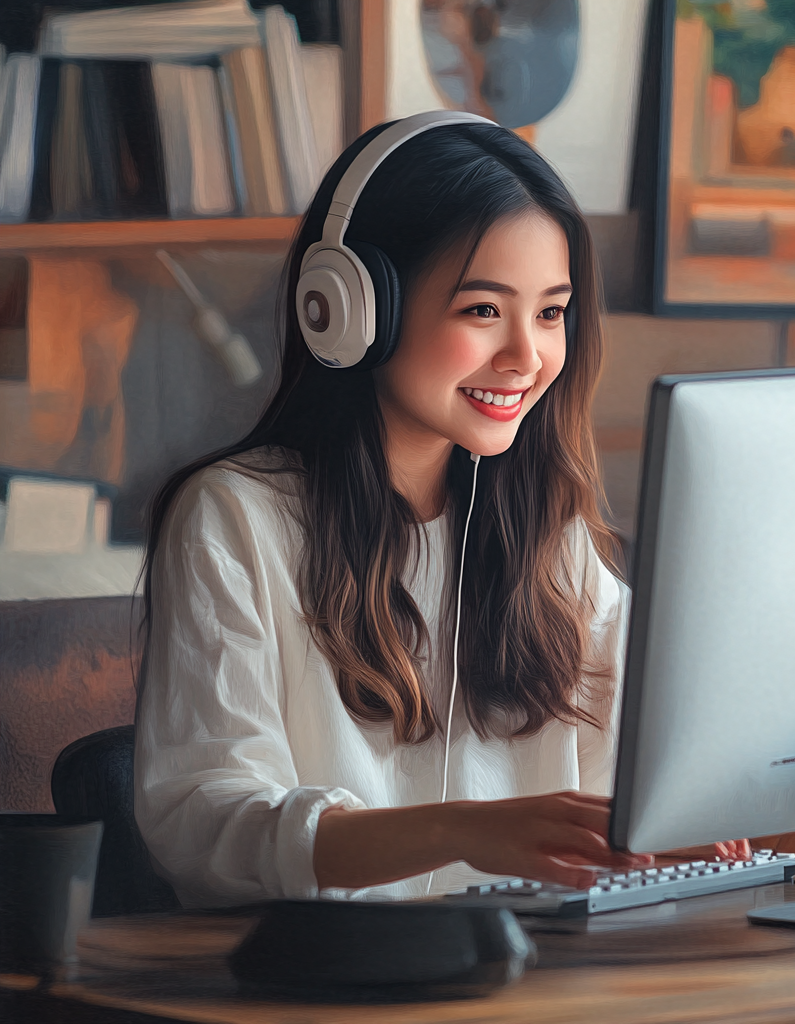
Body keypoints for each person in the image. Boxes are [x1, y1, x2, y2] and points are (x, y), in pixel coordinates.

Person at [135, 115, 747, 909]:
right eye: (484, 311)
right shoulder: (235, 518)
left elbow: (640, 769)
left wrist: (675, 823)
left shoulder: (547, 532)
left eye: (552, 313)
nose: (528, 358)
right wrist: (460, 831)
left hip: (536, 977)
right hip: (326, 988)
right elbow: (203, 822)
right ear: (351, 308)